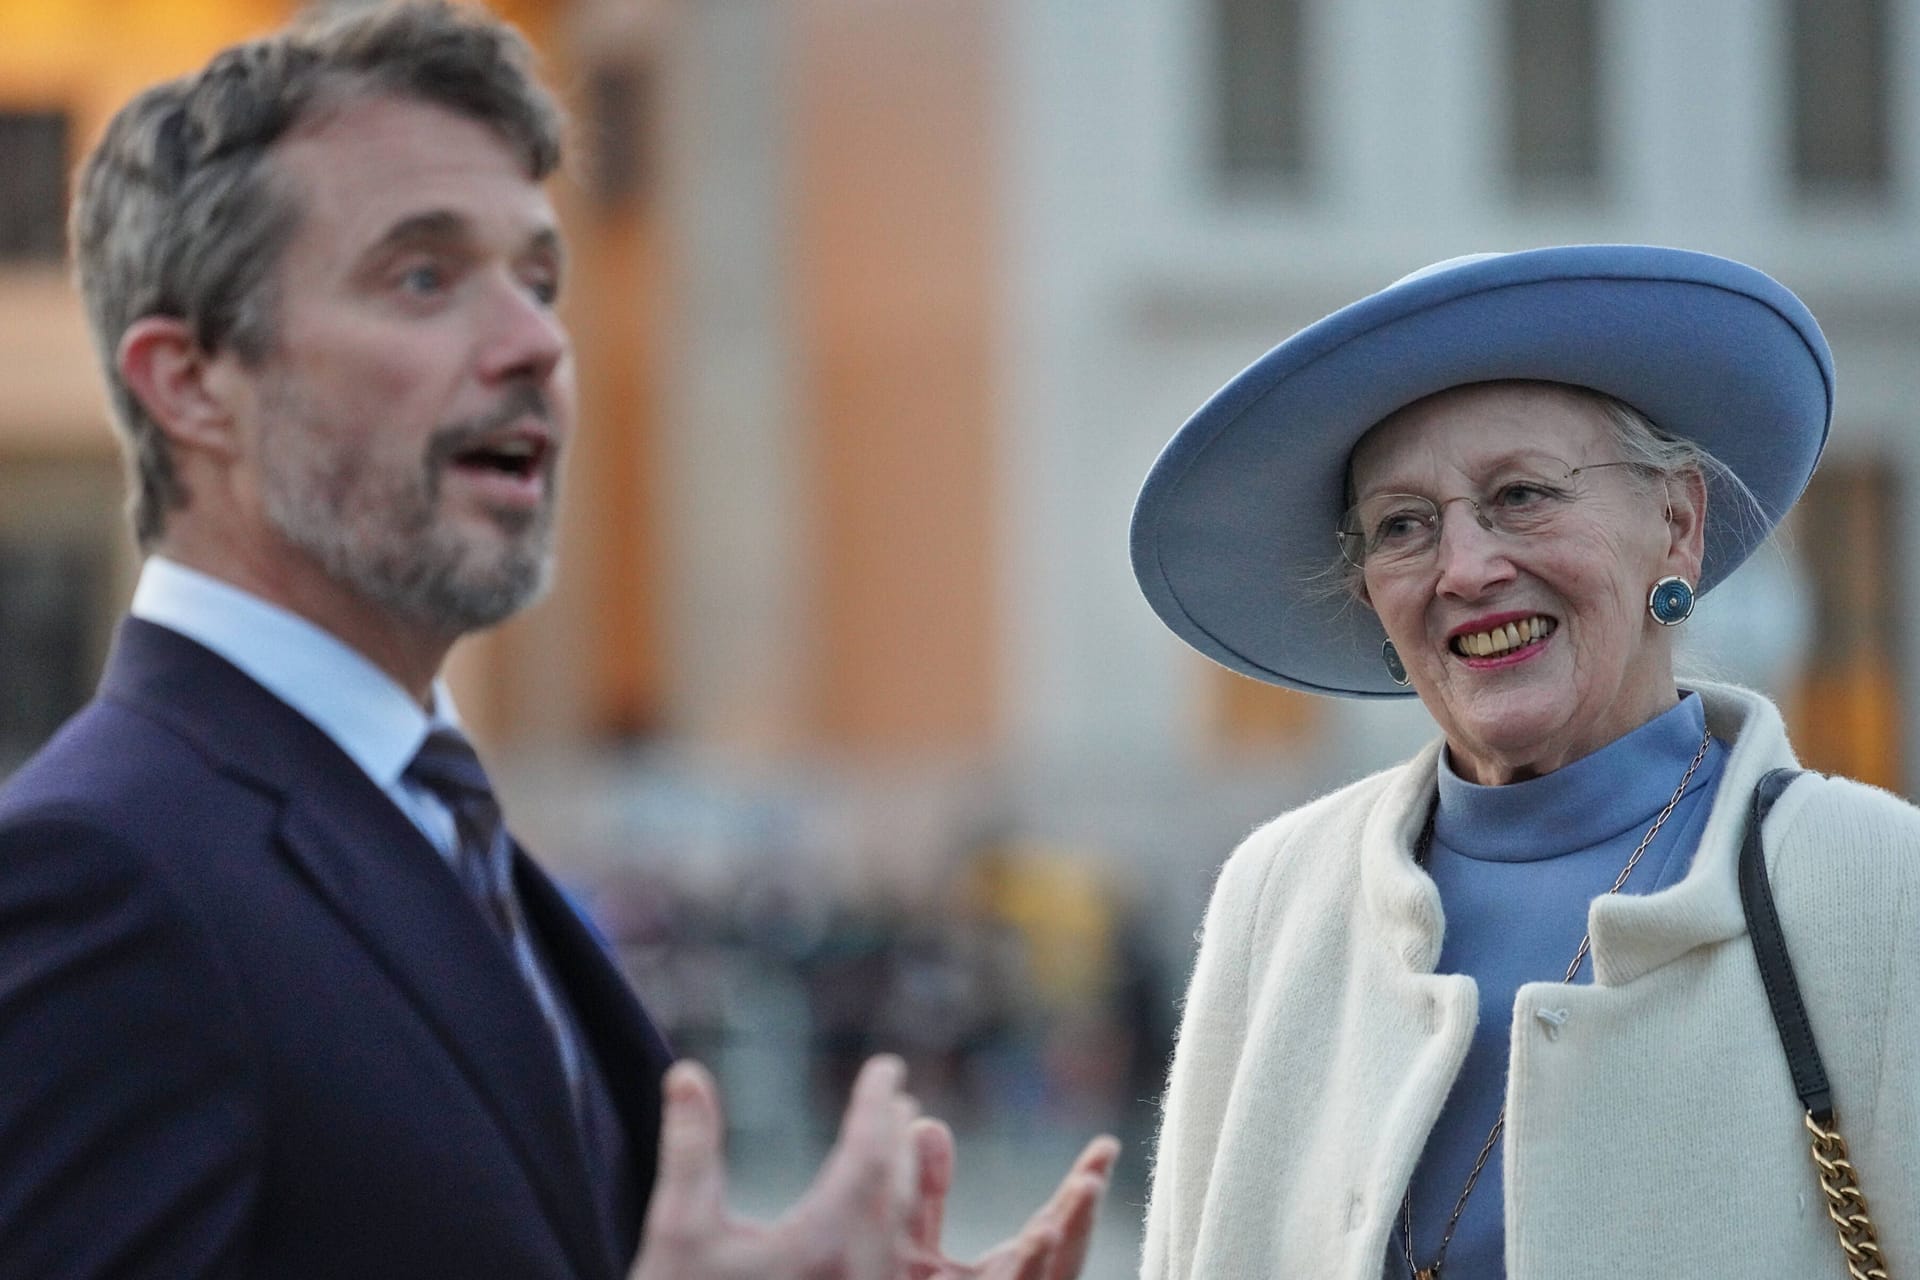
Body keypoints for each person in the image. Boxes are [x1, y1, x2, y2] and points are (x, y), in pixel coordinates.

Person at [0, 3, 1116, 1277]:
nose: (537, 343)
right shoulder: (97, 874)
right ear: (190, 381)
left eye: (538, 278)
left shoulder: (435, 824)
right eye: (422, 275)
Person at [1127, 245, 1920, 1278]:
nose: (1467, 567)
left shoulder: (1882, 884)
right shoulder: (1275, 894)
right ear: (1371, 588)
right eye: (1405, 525)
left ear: (1675, 522)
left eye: (1523, 495)